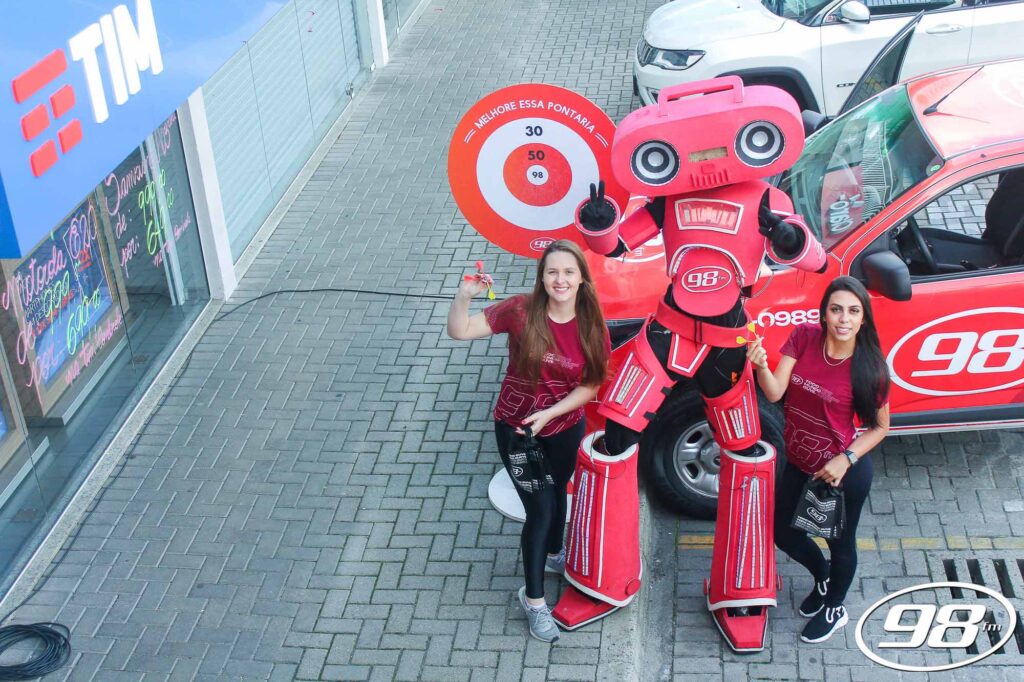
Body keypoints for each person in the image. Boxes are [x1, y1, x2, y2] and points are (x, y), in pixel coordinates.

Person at [446, 240, 610, 643]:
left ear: (582, 279)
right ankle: (534, 601)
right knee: (540, 511)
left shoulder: (592, 324)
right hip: (518, 432)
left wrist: (552, 413)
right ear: (542, 277)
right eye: (552, 271)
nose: (560, 280)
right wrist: (464, 296)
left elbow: (591, 385)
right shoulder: (520, 310)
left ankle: (555, 555)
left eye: (569, 272)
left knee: (558, 492)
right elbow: (460, 331)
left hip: (564, 427)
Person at [747, 276, 890, 643]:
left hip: (841, 474)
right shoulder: (804, 337)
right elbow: (775, 393)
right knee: (784, 533)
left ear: (863, 318)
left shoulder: (870, 367)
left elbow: (880, 428)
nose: (844, 319)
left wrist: (846, 459)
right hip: (799, 461)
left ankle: (835, 608)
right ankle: (824, 577)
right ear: (824, 313)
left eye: (853, 311)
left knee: (840, 544)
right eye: (836, 309)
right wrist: (761, 365)